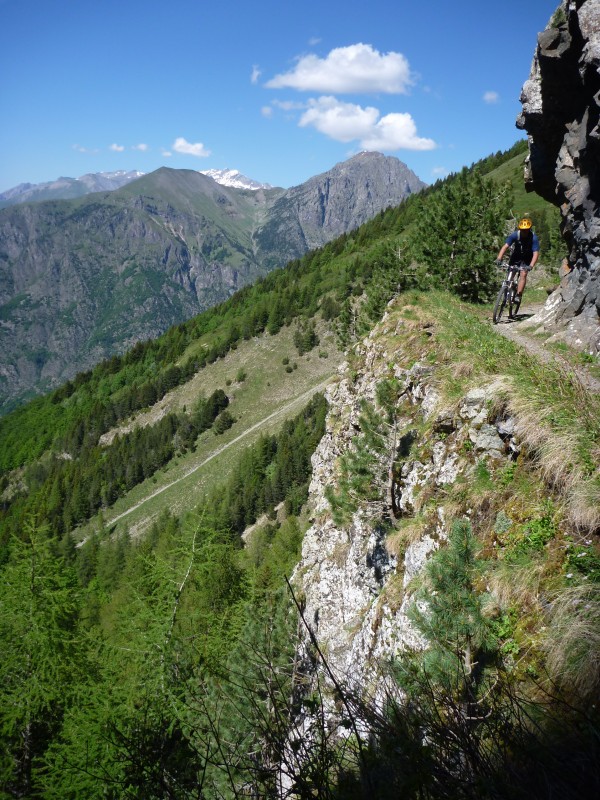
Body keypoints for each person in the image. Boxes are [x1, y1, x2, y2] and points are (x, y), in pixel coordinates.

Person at [496, 217, 540, 317]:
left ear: (529, 229)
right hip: (516, 257)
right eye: (522, 230)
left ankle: (518, 295)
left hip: (526, 259)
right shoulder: (515, 235)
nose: (524, 232)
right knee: (510, 273)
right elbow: (505, 246)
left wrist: (531, 266)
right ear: (519, 229)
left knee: (523, 274)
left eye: (526, 230)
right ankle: (506, 289)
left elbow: (536, 253)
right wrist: (499, 258)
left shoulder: (533, 238)